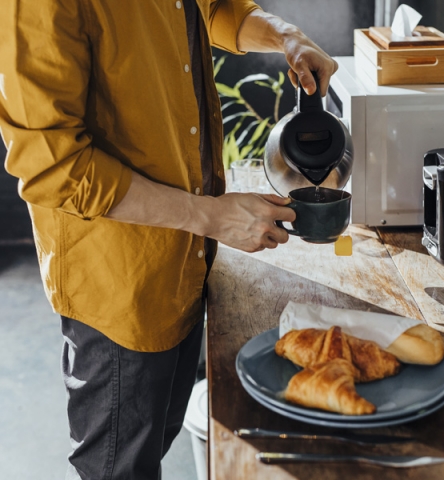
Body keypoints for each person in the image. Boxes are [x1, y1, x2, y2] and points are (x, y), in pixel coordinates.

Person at [0, 1, 338, 478]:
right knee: (119, 468)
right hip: (121, 286)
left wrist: (286, 36)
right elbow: (52, 166)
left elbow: (211, 6)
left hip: (185, 257)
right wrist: (209, 216)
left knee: (156, 441)